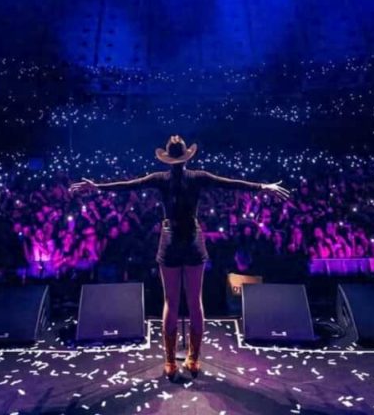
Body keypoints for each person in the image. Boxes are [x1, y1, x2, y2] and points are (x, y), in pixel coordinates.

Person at [70, 135, 289, 380]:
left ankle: (170, 362)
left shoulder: (160, 179)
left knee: (170, 302)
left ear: (167, 158)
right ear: (186, 157)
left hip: (170, 239)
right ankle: (193, 360)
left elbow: (128, 185)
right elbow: (231, 183)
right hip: (193, 240)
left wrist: (97, 187)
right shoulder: (198, 177)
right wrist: (262, 187)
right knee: (195, 301)